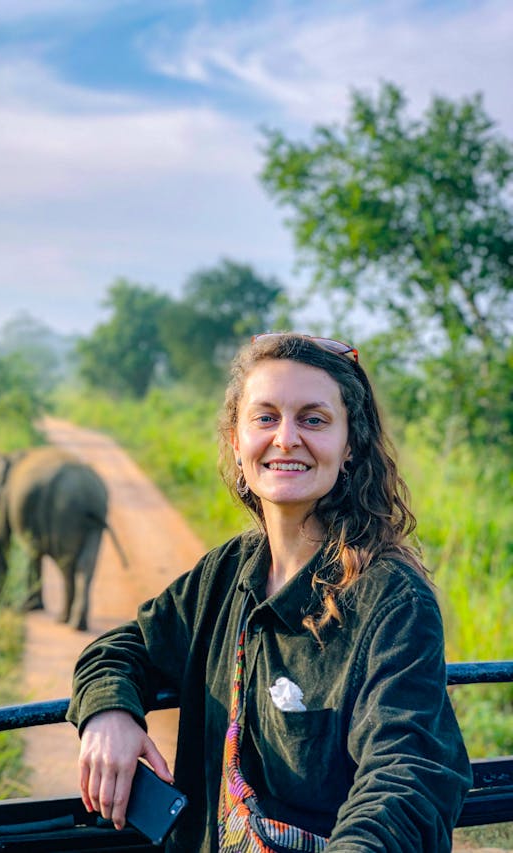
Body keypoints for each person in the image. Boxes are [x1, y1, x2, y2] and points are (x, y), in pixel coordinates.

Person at [66, 332, 472, 852]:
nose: (285, 438)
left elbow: (405, 774)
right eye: (265, 417)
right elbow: (121, 648)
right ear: (237, 442)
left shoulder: (391, 597)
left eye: (313, 419)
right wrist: (108, 714)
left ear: (350, 446)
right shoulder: (227, 570)